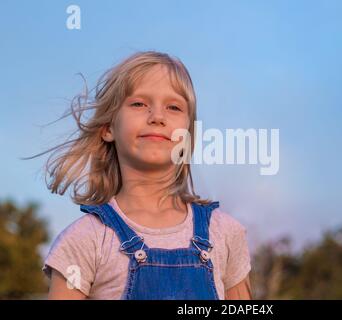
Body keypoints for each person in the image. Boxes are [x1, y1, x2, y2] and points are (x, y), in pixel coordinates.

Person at [39, 51, 252, 299]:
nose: (157, 117)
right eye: (139, 104)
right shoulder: (83, 241)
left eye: (173, 107)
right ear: (108, 128)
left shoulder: (226, 233)